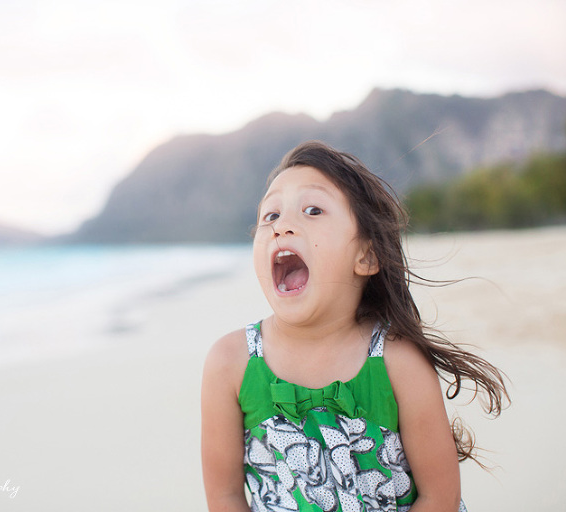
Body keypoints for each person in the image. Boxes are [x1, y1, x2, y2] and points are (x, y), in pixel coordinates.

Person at [201, 141, 508, 512]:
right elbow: (225, 498)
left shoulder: (398, 362)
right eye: (270, 216)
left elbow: (440, 497)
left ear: (366, 255)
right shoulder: (230, 364)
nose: (281, 226)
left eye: (312, 210)